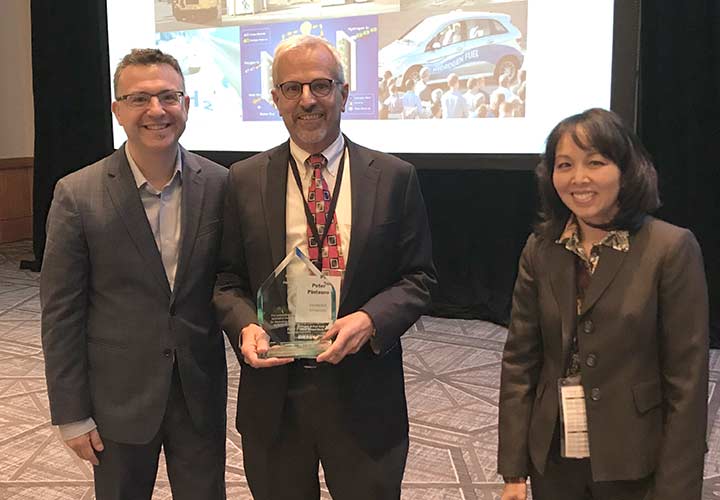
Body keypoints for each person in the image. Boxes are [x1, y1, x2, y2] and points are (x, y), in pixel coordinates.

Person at [213, 34, 436, 500]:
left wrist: (371, 319)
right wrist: (245, 326)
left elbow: (418, 279)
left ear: (344, 93)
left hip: (364, 390)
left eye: (320, 85)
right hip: (276, 391)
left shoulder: (394, 177)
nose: (307, 100)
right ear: (275, 99)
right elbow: (227, 279)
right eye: (291, 88)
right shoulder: (243, 179)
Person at [40, 48, 228, 500]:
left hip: (199, 391)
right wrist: (71, 413)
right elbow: (61, 312)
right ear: (117, 109)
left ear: (186, 103)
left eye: (168, 96)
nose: (156, 110)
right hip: (117, 398)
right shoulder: (77, 193)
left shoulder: (222, 184)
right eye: (139, 98)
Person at [498, 108, 709, 500]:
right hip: (554, 456)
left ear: (626, 170)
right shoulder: (541, 249)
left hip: (633, 456)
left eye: (595, 162)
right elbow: (520, 363)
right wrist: (513, 468)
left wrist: (677, 489)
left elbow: (687, 384)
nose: (578, 178)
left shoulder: (671, 248)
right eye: (565, 165)